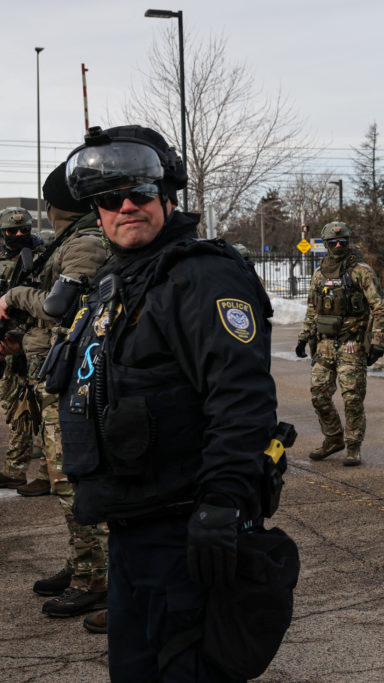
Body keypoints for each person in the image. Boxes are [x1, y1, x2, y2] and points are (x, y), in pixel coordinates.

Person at [54, 124, 279, 680]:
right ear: (96, 212)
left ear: (169, 195)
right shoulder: (120, 278)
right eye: (109, 198)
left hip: (185, 531)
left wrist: (221, 502)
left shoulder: (201, 275)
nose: (125, 206)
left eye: (140, 192)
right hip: (132, 527)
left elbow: (242, 397)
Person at [0, 168, 111, 622]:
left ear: (55, 207)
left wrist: (17, 296)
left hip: (72, 383)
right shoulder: (68, 243)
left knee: (72, 482)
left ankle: (96, 577)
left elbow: (59, 307)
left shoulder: (84, 244)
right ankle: (84, 563)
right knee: (65, 481)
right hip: (50, 375)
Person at [295, 221, 384, 465]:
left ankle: (353, 446)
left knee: (352, 397)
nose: (338, 245)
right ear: (325, 245)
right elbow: (312, 309)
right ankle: (333, 438)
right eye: (333, 242)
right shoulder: (319, 273)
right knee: (319, 394)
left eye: (342, 242)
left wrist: (377, 341)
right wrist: (303, 337)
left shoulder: (361, 271)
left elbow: (379, 307)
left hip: (351, 344)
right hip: (324, 344)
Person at [0, 207, 41, 490]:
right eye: (12, 232)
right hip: (8, 344)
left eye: (24, 230)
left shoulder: (43, 256)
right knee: (16, 407)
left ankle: (49, 474)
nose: (18, 235)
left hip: (37, 341)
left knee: (47, 410)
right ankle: (16, 469)